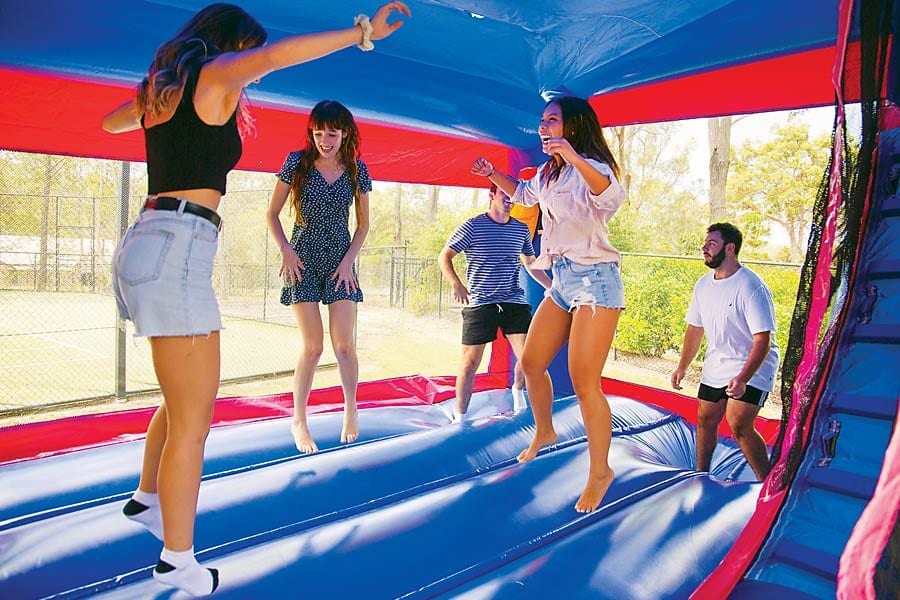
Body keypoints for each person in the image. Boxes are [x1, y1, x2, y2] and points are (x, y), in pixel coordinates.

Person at [102, 3, 410, 595]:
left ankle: (145, 498)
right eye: (246, 54)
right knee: (196, 419)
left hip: (148, 243)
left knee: (181, 393)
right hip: (178, 246)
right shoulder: (213, 78)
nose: (256, 71)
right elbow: (273, 57)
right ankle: (178, 560)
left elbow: (113, 124)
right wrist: (360, 34)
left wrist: (152, 101)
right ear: (229, 45)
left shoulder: (164, 91)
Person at [471, 96, 626, 513]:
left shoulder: (591, 167)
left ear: (572, 127)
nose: (543, 127)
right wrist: (493, 174)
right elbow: (523, 193)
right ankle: (545, 432)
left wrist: (573, 155)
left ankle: (600, 472)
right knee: (532, 363)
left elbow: (609, 196)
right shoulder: (548, 173)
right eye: (541, 121)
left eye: (551, 121)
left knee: (583, 381)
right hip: (562, 279)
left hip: (596, 282)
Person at [266, 100, 370, 454]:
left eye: (332, 133)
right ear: (312, 133)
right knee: (313, 346)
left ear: (345, 134)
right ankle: (298, 419)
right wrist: (286, 250)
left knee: (343, 345)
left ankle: (351, 408)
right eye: (319, 133)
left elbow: (364, 224)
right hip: (303, 256)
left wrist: (348, 263)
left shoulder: (357, 170)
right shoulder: (297, 163)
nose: (325, 140)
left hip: (341, 258)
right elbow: (272, 214)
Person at [670, 222, 779, 481]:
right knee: (706, 418)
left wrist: (742, 378)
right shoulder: (703, 285)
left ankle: (767, 484)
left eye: (712, 244)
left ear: (730, 248)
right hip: (719, 361)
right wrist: (682, 366)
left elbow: (762, 339)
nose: (704, 248)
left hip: (754, 362)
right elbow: (695, 329)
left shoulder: (750, 286)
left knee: (739, 422)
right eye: (705, 243)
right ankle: (699, 475)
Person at [438, 184, 552, 421]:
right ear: (491, 195)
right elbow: (445, 256)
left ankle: (518, 391)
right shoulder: (473, 226)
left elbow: (530, 263)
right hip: (481, 302)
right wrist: (456, 284)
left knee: (529, 357)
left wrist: (552, 286)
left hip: (513, 301)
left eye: (513, 196)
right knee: (470, 362)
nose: (510, 199)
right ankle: (460, 418)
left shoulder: (520, 229)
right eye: (504, 194)